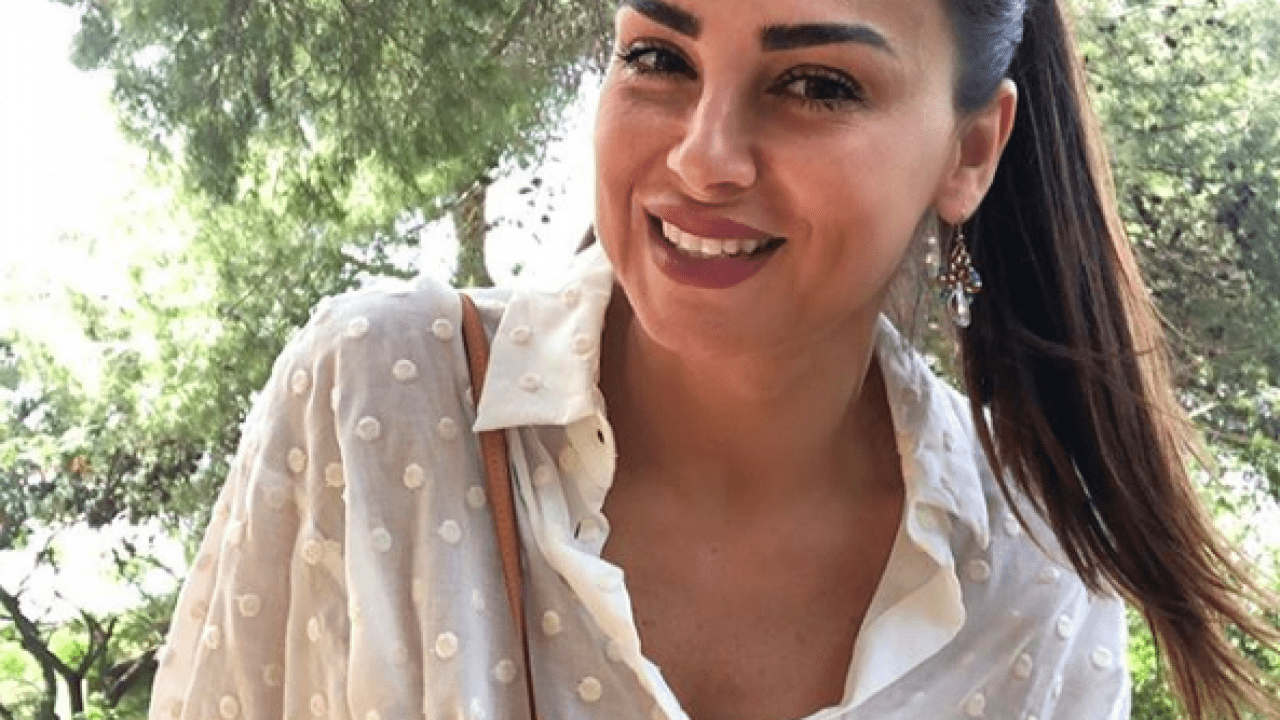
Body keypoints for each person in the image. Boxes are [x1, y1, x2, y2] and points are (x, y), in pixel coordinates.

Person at [149, 0, 1280, 718]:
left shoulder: (1036, 575)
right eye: (658, 57)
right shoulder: (376, 399)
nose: (704, 158)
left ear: (970, 150)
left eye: (818, 83)